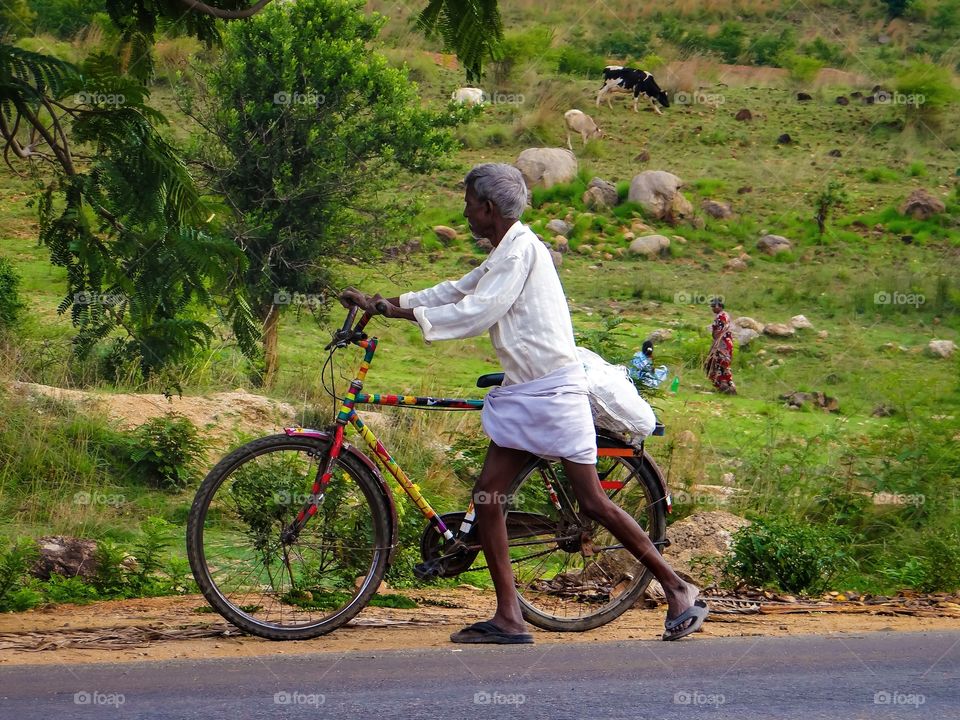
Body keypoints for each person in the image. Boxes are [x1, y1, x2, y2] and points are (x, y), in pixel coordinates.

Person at [340, 163, 706, 644]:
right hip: (525, 392)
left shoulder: (522, 251)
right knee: (488, 499)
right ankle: (509, 618)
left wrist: (401, 313)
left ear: (487, 208)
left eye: (469, 202)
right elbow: (458, 289)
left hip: (553, 393)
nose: (464, 210)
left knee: (592, 502)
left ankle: (677, 588)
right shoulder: (508, 248)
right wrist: (383, 302)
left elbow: (477, 310)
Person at [705, 299, 737, 394]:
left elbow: (720, 332)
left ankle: (724, 386)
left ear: (720, 306)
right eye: (712, 306)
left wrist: (715, 345)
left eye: (714, 306)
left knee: (719, 363)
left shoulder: (722, 317)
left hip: (722, 343)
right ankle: (724, 386)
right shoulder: (724, 315)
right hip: (725, 342)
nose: (713, 308)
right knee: (720, 364)